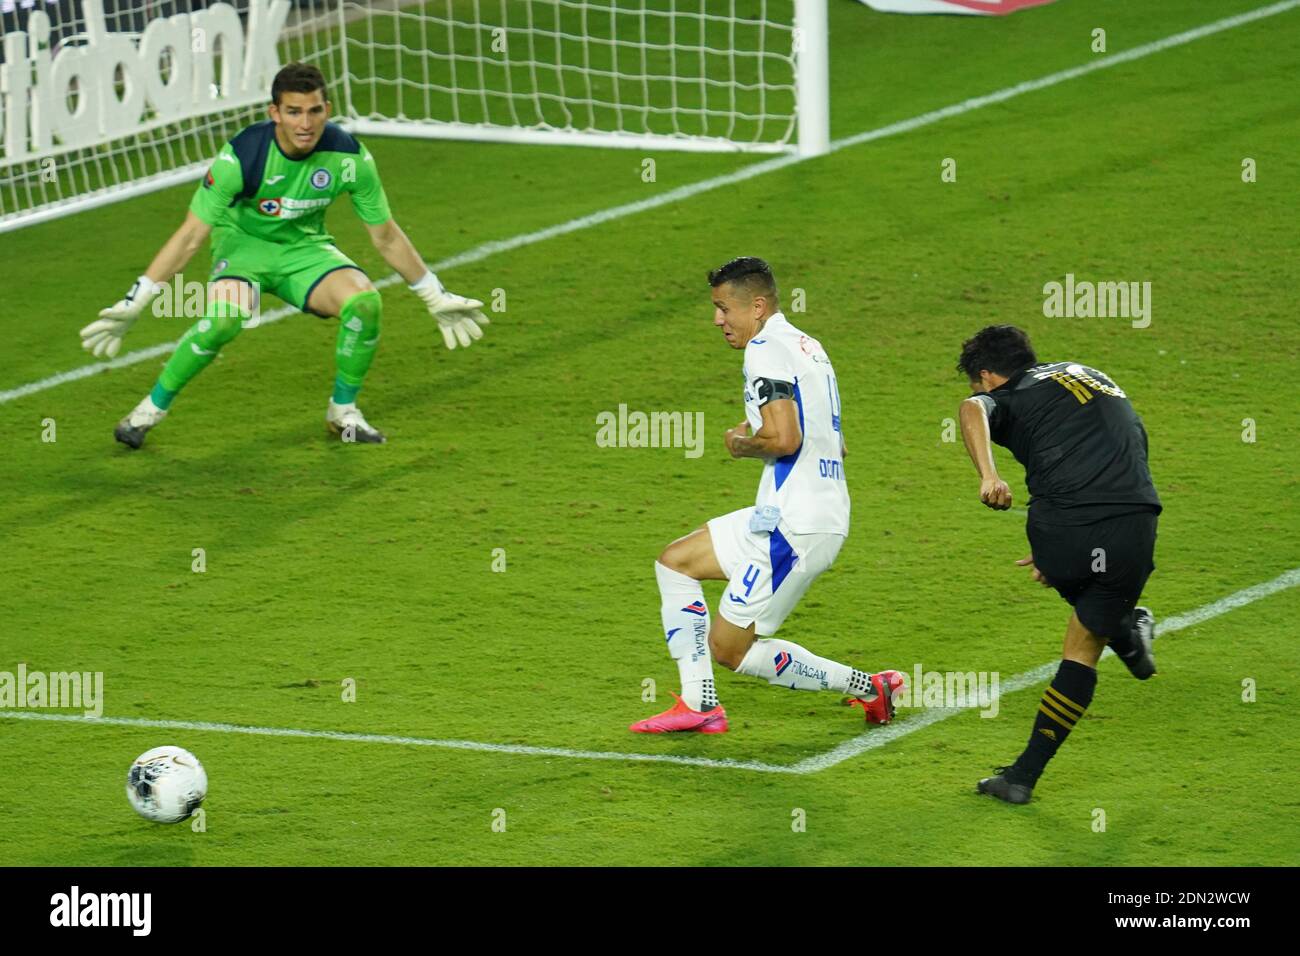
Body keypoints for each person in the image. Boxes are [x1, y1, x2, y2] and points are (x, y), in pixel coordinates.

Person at [80, 62, 488, 448]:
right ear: (274, 112)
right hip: (243, 248)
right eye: (294, 112)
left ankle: (343, 412)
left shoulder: (349, 158)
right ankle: (147, 412)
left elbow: (385, 236)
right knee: (224, 320)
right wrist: (138, 300)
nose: (305, 124)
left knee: (365, 303)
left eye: (314, 111)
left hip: (304, 249)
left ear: (327, 109)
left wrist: (433, 294)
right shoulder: (242, 157)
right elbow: (189, 237)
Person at [631, 257, 903, 734]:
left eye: (723, 308)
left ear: (756, 306)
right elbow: (833, 438)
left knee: (730, 648)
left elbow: (785, 441)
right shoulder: (807, 345)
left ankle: (867, 686)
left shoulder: (763, 349)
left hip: (795, 526)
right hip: (791, 511)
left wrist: (743, 444)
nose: (718, 320)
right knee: (675, 562)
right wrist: (761, 428)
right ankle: (700, 704)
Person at [956, 325, 1161, 804]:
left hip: (1065, 529)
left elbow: (972, 412)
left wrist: (989, 474)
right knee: (1092, 620)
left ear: (987, 375)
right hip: (1136, 523)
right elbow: (1131, 437)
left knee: (1080, 637)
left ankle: (1127, 634)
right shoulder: (1090, 375)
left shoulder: (1005, 395)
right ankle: (1124, 632)